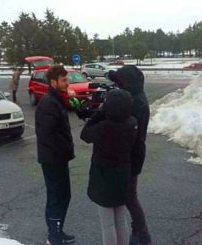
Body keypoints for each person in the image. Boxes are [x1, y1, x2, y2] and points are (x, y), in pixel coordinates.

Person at [81, 89, 138, 245]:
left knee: (107, 222)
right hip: (123, 174)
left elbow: (84, 134)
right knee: (120, 218)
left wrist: (99, 112)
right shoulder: (132, 122)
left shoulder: (104, 127)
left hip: (104, 176)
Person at [107, 65, 152, 245]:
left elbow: (127, 130)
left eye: (121, 83)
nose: (119, 86)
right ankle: (138, 232)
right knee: (130, 196)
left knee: (130, 197)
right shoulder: (135, 95)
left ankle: (143, 235)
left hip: (132, 155)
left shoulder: (137, 103)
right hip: (132, 153)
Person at [35, 65, 75, 244]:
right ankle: (53, 236)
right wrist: (63, 150)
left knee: (63, 195)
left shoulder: (56, 99)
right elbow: (47, 135)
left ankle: (57, 232)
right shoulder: (49, 103)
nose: (67, 83)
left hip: (58, 157)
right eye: (64, 80)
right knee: (57, 196)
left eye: (67, 79)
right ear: (53, 82)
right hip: (53, 159)